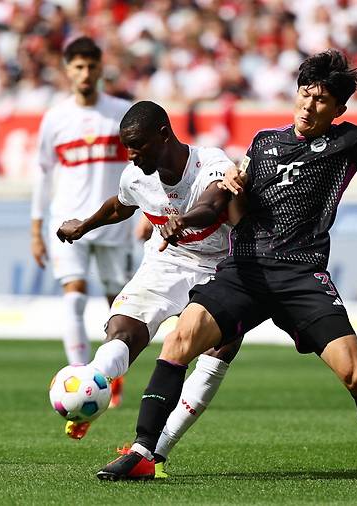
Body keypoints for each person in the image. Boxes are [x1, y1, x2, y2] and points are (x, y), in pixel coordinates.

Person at [97, 48, 357, 482]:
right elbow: (232, 192)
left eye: (320, 100)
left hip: (301, 274)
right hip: (245, 269)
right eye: (304, 94)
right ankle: (144, 452)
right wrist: (233, 182)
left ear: (338, 109)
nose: (308, 105)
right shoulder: (263, 142)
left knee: (355, 375)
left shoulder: (349, 142)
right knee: (180, 340)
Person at [56, 100, 243, 473]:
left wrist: (184, 219)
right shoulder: (135, 175)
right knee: (121, 329)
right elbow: (120, 206)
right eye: (127, 147)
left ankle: (154, 452)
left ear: (163, 135)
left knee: (215, 352)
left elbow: (214, 202)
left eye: (137, 145)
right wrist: (84, 225)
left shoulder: (211, 163)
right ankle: (91, 388)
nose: (131, 155)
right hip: (168, 261)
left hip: (222, 266)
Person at [30, 37, 133, 409]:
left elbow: (140, 165)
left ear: (100, 68)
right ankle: (78, 376)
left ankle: (111, 376)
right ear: (67, 70)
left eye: (91, 66)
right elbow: (42, 173)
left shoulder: (122, 112)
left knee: (117, 304)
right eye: (78, 66)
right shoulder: (56, 118)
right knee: (72, 295)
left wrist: (149, 213)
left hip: (113, 221)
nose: (85, 73)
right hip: (67, 223)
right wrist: (36, 227)